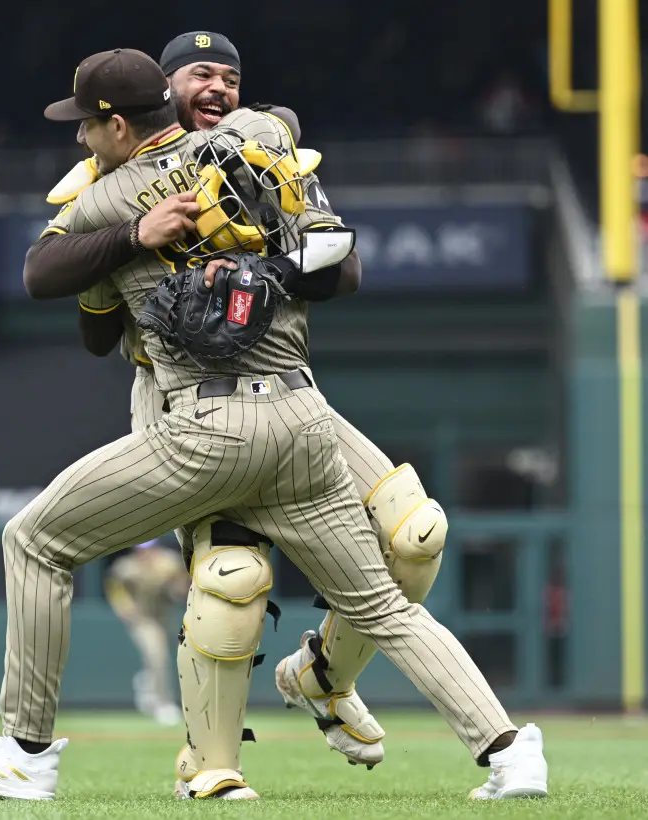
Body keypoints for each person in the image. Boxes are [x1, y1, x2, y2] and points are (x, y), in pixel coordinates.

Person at [0, 49, 548, 802]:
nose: (82, 140)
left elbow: (37, 272)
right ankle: (511, 752)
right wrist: (277, 251)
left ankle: (25, 752)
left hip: (207, 426)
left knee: (34, 540)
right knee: (381, 604)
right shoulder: (256, 147)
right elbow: (334, 241)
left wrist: (134, 234)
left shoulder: (112, 193)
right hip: (303, 420)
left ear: (117, 124)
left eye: (87, 126)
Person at [32, 30, 451, 771]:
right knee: (233, 581)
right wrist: (133, 243)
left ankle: (324, 678)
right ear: (161, 91)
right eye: (201, 74)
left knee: (416, 535)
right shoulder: (99, 180)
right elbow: (88, 324)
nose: (217, 87)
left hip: (286, 386)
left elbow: (344, 271)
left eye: (229, 76)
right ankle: (210, 762)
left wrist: (266, 268)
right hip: (177, 392)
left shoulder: (261, 152)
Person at [103, 539, 189, 725]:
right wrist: (123, 606)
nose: (145, 553)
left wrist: (176, 588)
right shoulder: (126, 567)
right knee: (156, 655)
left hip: (166, 615)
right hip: (142, 618)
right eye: (141, 550)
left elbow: (182, 584)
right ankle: (163, 703)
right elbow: (114, 587)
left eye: (149, 549)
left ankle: (148, 683)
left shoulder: (169, 562)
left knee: (184, 654)